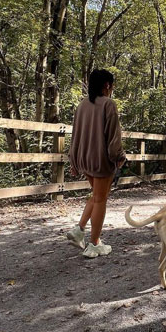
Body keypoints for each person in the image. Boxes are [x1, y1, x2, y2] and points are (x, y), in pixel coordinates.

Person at [66, 69, 126, 258]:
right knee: (101, 199)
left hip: (85, 159)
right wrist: (119, 157)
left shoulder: (82, 105)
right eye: (112, 85)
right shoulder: (108, 104)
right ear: (107, 85)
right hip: (101, 160)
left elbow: (75, 135)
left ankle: (79, 230)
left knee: (98, 195)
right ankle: (94, 243)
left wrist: (74, 161)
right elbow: (113, 137)